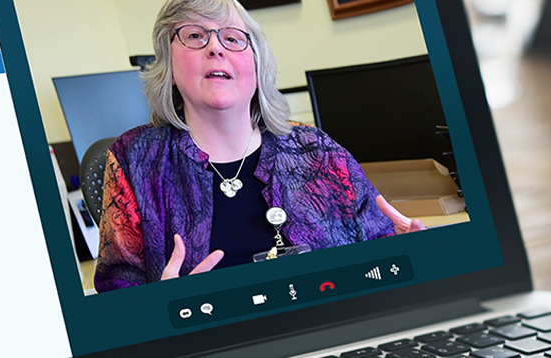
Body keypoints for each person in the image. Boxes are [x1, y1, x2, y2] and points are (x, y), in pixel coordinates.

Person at [93, 0, 425, 293]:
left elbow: (383, 259)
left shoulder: (317, 150)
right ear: (168, 66)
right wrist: (161, 306)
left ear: (256, 64)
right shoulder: (134, 159)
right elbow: (117, 297)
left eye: (233, 38)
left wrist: (413, 254)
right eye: (195, 36)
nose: (216, 48)